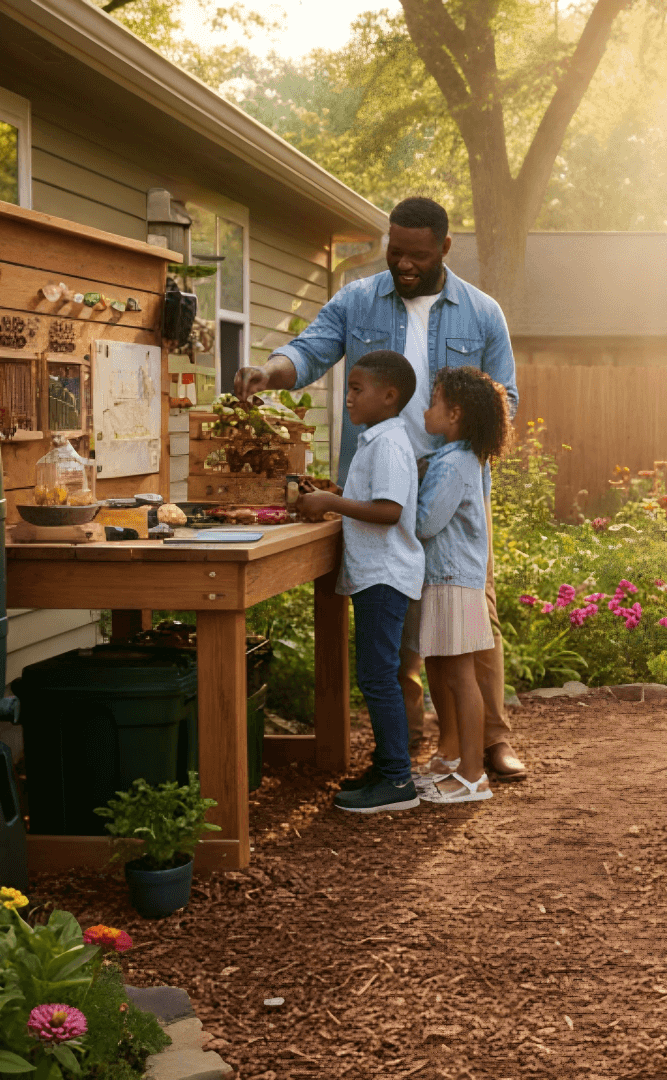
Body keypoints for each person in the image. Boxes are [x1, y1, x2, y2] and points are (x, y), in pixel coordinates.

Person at [236, 196, 527, 782]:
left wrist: (451, 460)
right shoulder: (358, 300)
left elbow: (506, 401)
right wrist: (271, 371)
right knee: (392, 607)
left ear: (444, 247)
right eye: (395, 251)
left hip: (449, 485)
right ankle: (413, 742)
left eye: (417, 255)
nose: (404, 264)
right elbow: (310, 349)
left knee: (469, 614)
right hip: (380, 484)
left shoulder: (482, 312)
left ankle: (491, 740)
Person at [295, 351, 424, 814]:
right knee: (376, 675)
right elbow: (373, 500)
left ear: (389, 397)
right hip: (377, 574)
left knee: (378, 676)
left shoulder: (388, 444)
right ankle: (386, 765)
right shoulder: (379, 440)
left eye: (356, 389)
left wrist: (333, 499)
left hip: (386, 575)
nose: (348, 398)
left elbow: (388, 512)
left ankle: (396, 781)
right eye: (348, 388)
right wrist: (335, 495)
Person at [410, 366, 508, 804]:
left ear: (454, 414)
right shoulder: (457, 459)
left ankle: (472, 777)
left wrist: (404, 494)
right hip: (447, 579)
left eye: (433, 402)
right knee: (449, 671)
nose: (426, 411)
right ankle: (458, 764)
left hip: (451, 580)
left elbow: (427, 523)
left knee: (461, 676)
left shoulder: (453, 465)